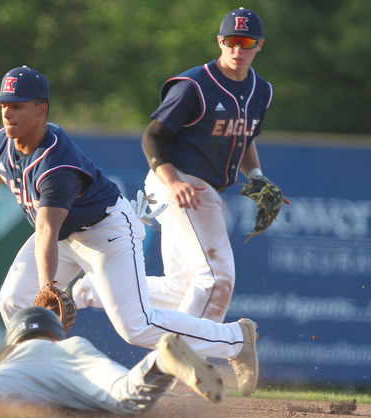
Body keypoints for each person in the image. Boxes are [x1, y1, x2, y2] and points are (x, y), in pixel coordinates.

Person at [0, 65, 259, 396]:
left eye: (17, 105)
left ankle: (236, 340)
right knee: (12, 300)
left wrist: (48, 287)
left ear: (41, 110)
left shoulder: (56, 162)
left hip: (105, 233)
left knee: (136, 326)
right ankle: (41, 376)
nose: (7, 113)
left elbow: (46, 230)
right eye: (3, 105)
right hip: (62, 234)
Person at [72, 8, 286, 324]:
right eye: (231, 41)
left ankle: (90, 290)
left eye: (247, 41)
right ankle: (181, 357)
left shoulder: (261, 91)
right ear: (220, 41)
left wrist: (255, 175)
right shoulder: (194, 85)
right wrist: (173, 183)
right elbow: (153, 137)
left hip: (200, 189)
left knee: (180, 289)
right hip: (180, 182)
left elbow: (243, 138)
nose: (238, 49)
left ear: (259, 45)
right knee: (217, 278)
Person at [0, 306, 226, 413]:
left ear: (15, 336)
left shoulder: (3, 356)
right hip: (73, 358)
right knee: (125, 395)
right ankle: (160, 362)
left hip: (15, 367)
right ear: (55, 333)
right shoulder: (71, 346)